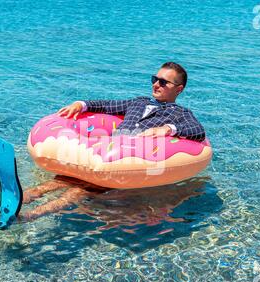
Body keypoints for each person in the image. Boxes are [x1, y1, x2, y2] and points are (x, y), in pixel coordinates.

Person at [22, 61, 206, 218]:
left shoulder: (180, 114)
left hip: (124, 161)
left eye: (164, 82)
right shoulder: (139, 102)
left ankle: (29, 216)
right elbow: (107, 105)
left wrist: (167, 129)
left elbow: (197, 131)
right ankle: (15, 201)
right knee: (56, 182)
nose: (156, 84)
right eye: (154, 79)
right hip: (105, 153)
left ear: (179, 89)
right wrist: (81, 104)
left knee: (78, 191)